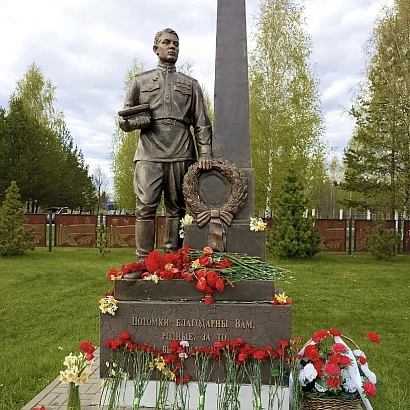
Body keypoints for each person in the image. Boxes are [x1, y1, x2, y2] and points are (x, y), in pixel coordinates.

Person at [119, 28, 212, 273]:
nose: (172, 47)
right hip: (149, 153)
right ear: (155, 48)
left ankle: (173, 262)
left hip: (182, 151)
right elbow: (124, 120)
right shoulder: (140, 81)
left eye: (176, 44)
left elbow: (201, 122)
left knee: (177, 208)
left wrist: (205, 152)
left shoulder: (191, 84)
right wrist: (137, 122)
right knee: (145, 206)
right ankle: (142, 263)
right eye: (167, 42)